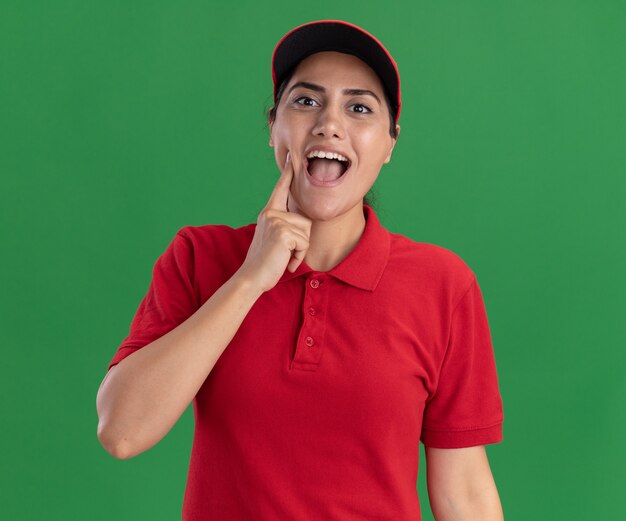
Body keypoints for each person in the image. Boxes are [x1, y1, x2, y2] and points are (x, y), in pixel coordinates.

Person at [96, 20, 505, 521]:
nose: (329, 124)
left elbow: (463, 492)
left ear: (391, 141)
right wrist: (249, 280)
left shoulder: (444, 285)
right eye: (306, 101)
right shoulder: (200, 257)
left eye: (359, 108)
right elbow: (121, 431)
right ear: (273, 126)